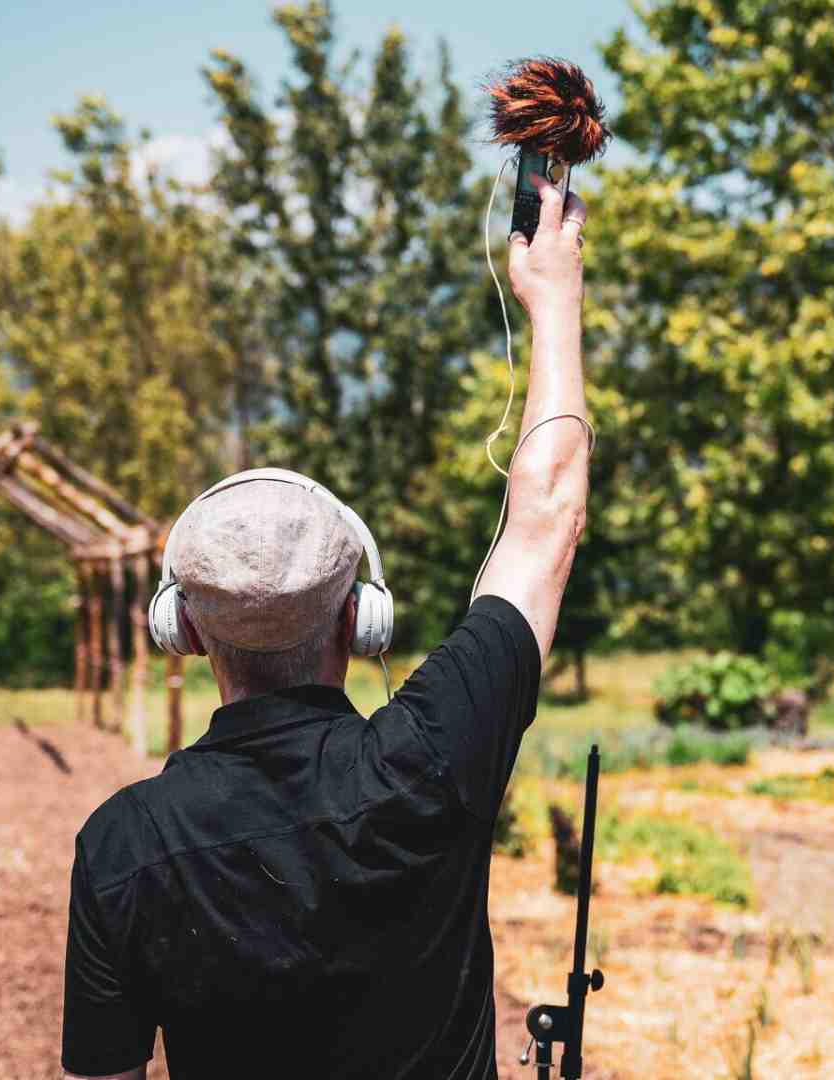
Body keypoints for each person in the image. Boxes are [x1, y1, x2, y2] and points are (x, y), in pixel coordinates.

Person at [61, 175, 591, 1080]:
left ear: (182, 629)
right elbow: (546, 513)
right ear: (362, 619)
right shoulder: (433, 758)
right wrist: (554, 295)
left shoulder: (122, 845)